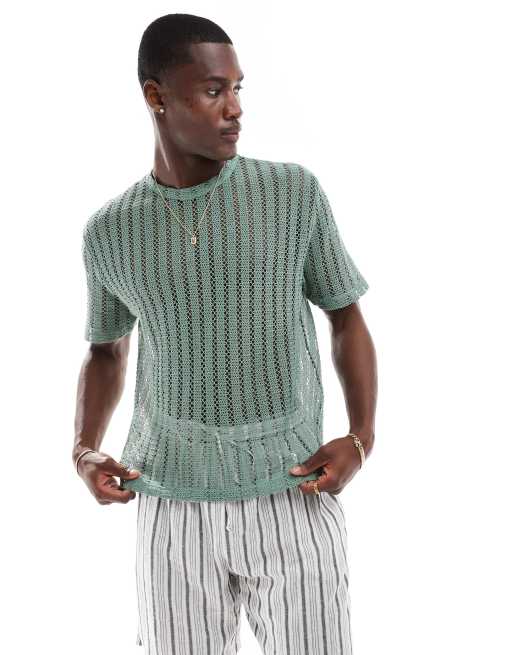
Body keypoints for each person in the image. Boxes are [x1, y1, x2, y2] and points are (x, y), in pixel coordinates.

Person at [72, 12, 377, 655]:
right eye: (214, 91)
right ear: (156, 96)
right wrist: (84, 449)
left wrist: (360, 437)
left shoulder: (292, 194)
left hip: (293, 489)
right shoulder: (111, 231)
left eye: (238, 88)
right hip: (169, 506)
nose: (235, 108)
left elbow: (346, 315)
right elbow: (105, 350)